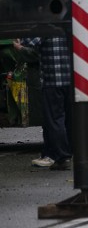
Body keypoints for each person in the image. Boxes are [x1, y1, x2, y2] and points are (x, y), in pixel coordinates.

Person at [12, 36, 73, 170]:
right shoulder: (66, 26)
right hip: (71, 82)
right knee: (67, 119)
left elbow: (30, 41)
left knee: (54, 120)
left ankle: (62, 157)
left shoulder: (45, 28)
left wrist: (18, 45)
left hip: (53, 82)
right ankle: (67, 153)